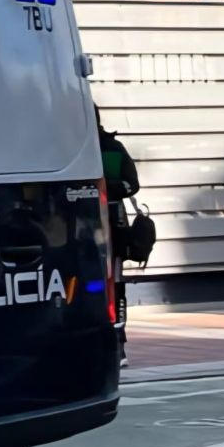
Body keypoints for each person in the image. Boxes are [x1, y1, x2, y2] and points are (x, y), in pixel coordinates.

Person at [97, 110, 141, 368]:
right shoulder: (112, 147)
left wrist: (102, 187)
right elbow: (130, 184)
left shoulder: (110, 148)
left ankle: (118, 344)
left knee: (114, 286)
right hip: (109, 225)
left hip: (109, 225)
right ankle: (117, 345)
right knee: (114, 287)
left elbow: (131, 184)